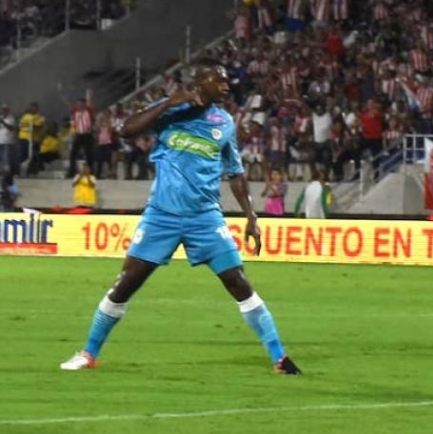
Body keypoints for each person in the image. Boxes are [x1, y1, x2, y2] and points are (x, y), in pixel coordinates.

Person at [59, 64, 301, 375]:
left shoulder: (224, 122)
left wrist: (251, 217)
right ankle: (88, 354)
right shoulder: (170, 112)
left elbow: (236, 173)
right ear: (201, 82)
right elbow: (125, 130)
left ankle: (280, 358)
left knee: (238, 282)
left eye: (228, 83)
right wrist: (169, 102)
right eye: (220, 82)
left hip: (205, 217)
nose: (227, 88)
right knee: (125, 285)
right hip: (162, 215)